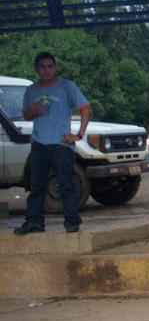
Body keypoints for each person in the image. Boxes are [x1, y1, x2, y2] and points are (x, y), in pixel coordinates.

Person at [15, 52, 91, 235]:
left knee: (66, 183)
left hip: (61, 143)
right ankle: (34, 221)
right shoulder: (32, 90)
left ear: (55, 67)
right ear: (36, 69)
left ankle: (71, 221)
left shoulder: (66, 86)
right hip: (39, 143)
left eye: (49, 66)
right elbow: (26, 115)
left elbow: (85, 108)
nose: (46, 70)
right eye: (42, 66)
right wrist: (34, 110)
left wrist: (79, 135)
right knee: (37, 184)